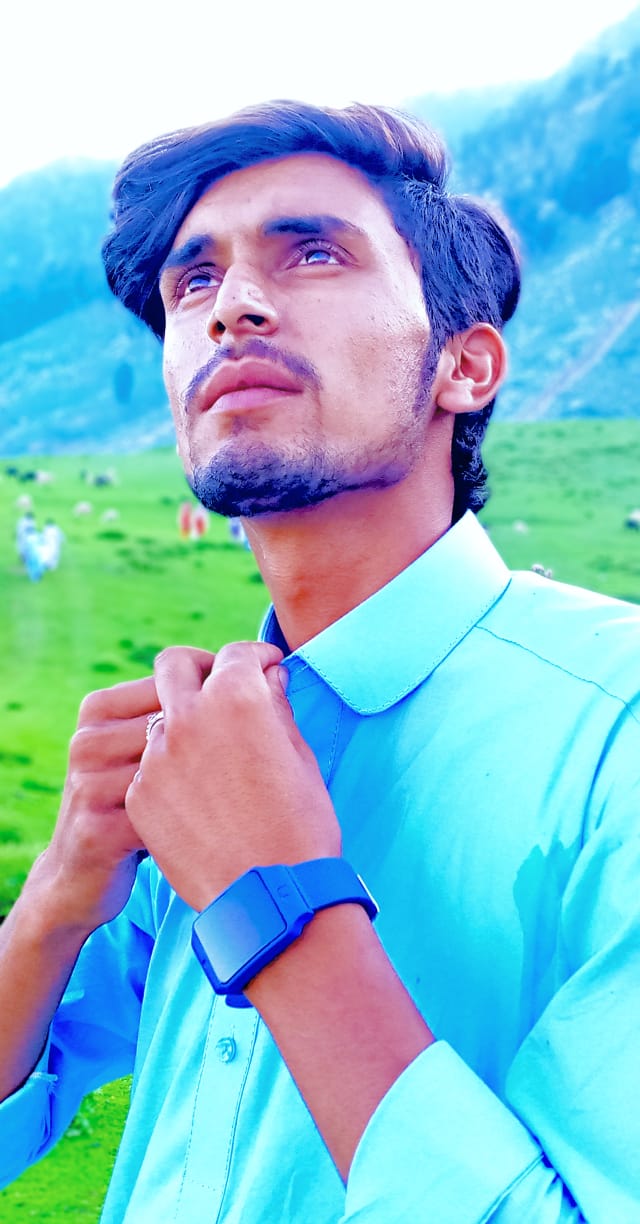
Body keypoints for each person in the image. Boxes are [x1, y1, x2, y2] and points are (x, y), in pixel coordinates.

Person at [0, 101, 638, 1224]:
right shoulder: (191, 750)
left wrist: (272, 897)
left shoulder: (614, 731)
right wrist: (56, 896)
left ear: (464, 365)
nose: (230, 306)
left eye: (312, 254)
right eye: (193, 283)